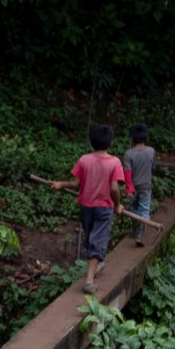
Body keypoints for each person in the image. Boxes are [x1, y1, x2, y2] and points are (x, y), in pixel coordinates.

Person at [48, 123, 131, 294]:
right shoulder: (114, 162)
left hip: (86, 207)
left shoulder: (84, 159)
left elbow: (76, 184)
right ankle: (89, 281)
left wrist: (61, 184)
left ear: (92, 142)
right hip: (103, 208)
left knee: (92, 238)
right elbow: (115, 188)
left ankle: (96, 265)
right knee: (98, 240)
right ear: (111, 143)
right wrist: (117, 205)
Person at [123, 124, 157, 247]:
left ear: (132, 139)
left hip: (133, 187)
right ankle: (140, 234)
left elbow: (127, 173)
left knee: (133, 208)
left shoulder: (128, 154)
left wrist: (129, 189)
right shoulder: (151, 151)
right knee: (144, 209)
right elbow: (153, 168)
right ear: (146, 138)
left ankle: (135, 229)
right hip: (146, 186)